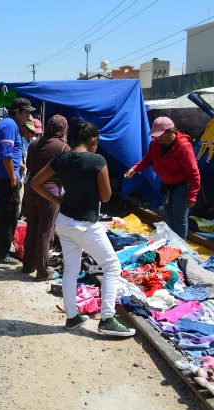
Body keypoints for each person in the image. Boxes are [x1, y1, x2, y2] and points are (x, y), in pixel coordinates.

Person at [31, 119, 136, 337]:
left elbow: (35, 183)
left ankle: (72, 316)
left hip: (64, 221)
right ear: (93, 140)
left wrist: (58, 200)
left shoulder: (62, 158)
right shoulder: (97, 160)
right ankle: (107, 318)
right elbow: (106, 196)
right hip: (86, 224)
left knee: (71, 269)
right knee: (112, 266)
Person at [124, 116, 200, 239]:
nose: (156, 137)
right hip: (166, 184)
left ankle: (179, 248)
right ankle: (172, 243)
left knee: (179, 218)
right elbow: (148, 159)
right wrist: (135, 168)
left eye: (159, 135)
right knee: (169, 215)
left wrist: (192, 195)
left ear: (171, 131)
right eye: (155, 135)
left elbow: (193, 172)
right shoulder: (155, 144)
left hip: (182, 185)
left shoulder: (183, 147)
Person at [20, 115, 70, 280]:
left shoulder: (34, 143)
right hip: (50, 194)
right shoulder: (63, 148)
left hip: (30, 190)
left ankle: (28, 265)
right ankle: (42, 271)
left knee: (32, 228)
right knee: (45, 232)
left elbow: (29, 167)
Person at [0, 98, 34, 264]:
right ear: (17, 111)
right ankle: (2, 254)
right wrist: (13, 177)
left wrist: (19, 165)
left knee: (7, 215)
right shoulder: (10, 126)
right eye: (26, 112)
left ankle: (2, 252)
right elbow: (6, 155)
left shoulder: (8, 124)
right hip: (6, 177)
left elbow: (10, 154)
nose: (28, 116)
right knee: (9, 216)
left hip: (5, 175)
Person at [16, 116, 38, 219]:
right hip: (21, 176)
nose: (34, 134)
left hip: (31, 177)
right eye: (32, 132)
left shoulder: (35, 141)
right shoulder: (19, 140)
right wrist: (22, 165)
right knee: (19, 200)